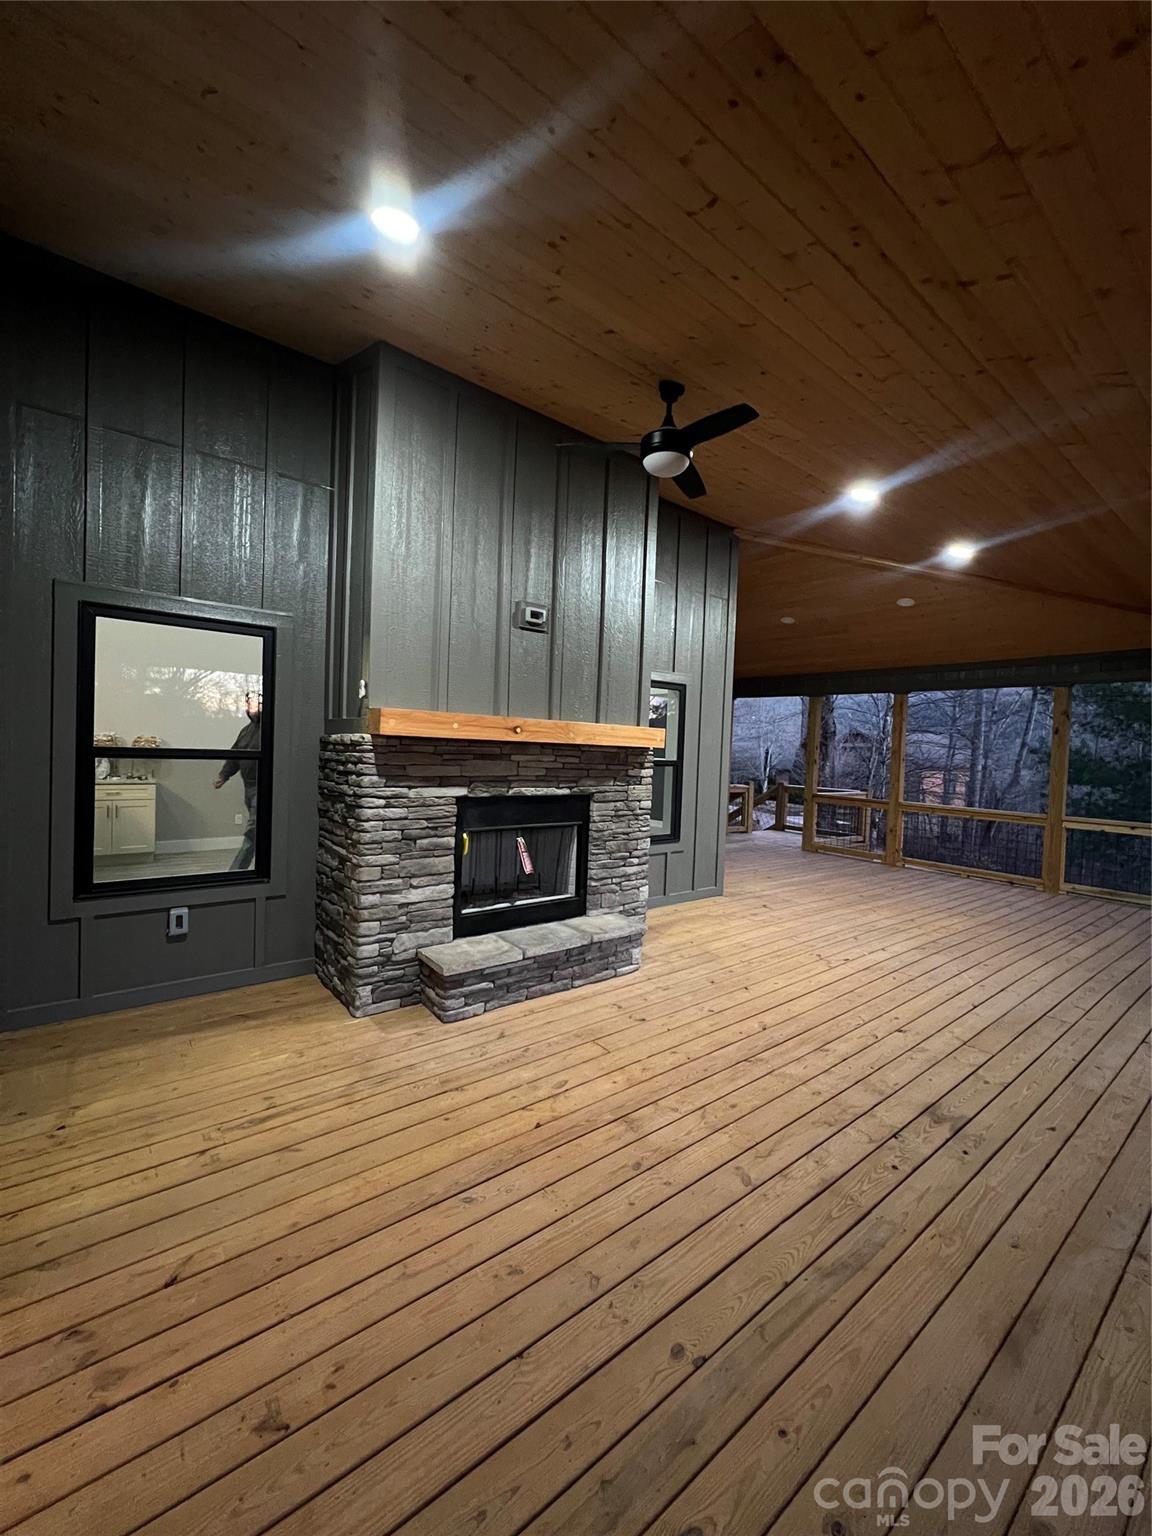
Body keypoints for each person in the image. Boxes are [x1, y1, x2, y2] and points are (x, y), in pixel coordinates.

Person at [215, 692, 261, 871]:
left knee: (253, 831)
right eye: (249, 704)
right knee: (260, 830)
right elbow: (235, 755)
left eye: (255, 704)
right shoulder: (246, 730)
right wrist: (223, 776)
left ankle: (236, 871)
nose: (252, 707)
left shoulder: (271, 729)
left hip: (263, 787)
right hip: (248, 788)